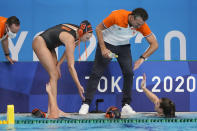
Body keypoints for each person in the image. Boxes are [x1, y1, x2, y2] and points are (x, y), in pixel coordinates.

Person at [79, 8, 158, 115]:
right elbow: (98, 29)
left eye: (141, 24)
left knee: (129, 73)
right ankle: (86, 104)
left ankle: (126, 105)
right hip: (107, 44)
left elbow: (154, 44)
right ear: (131, 17)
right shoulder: (117, 16)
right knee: (96, 73)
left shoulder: (141, 24)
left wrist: (142, 58)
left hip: (123, 47)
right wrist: (102, 48)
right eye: (138, 24)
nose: (139, 27)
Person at [32, 20, 93, 119]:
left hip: (49, 46)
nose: (87, 40)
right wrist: (78, 85)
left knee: (55, 74)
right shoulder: (70, 38)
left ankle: (52, 109)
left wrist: (59, 65)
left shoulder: (78, 34)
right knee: (54, 74)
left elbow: (68, 51)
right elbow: (71, 67)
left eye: (89, 38)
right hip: (40, 42)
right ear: (82, 33)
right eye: (87, 37)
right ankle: (54, 109)